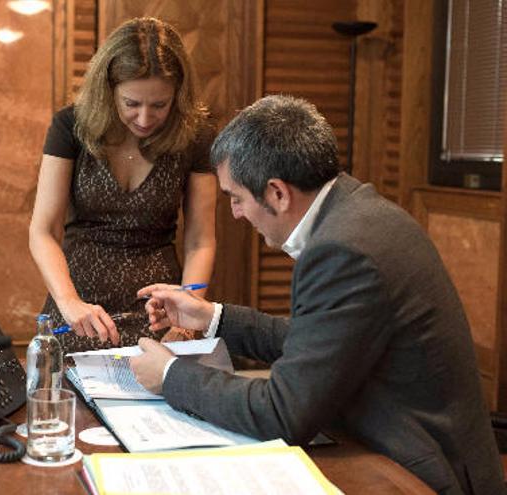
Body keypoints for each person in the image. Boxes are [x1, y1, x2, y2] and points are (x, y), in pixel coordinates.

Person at [130, 95, 505, 494]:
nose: (237, 214)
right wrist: (211, 317)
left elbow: (283, 412)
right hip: (404, 446)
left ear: (277, 193)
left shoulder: (343, 250)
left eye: (236, 198)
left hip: (419, 472)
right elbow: (320, 341)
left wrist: (171, 375)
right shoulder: (360, 212)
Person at [28, 17, 217, 352]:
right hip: (80, 307)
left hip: (159, 311)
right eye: (132, 103)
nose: (145, 118)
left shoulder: (195, 136)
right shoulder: (71, 126)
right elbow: (44, 230)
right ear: (108, 90)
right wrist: (69, 303)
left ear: (178, 94)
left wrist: (188, 315)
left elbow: (200, 241)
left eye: (159, 105)